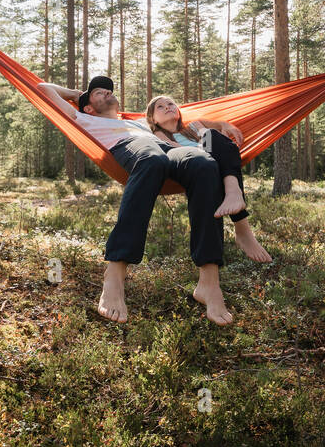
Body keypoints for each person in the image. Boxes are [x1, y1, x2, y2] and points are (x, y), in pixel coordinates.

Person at [35, 75, 267, 327]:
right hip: (133, 148)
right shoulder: (83, 118)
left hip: (168, 149)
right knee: (153, 160)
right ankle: (115, 272)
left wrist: (218, 126)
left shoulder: (139, 122)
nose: (107, 93)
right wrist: (78, 94)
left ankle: (208, 281)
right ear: (88, 107)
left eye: (108, 90)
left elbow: (190, 124)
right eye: (99, 93)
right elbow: (43, 88)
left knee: (204, 164)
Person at [144, 95, 271, 264]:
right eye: (160, 107)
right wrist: (210, 144)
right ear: (153, 119)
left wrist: (227, 128)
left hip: (213, 160)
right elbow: (176, 151)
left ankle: (234, 195)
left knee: (212, 134)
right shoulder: (159, 135)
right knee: (212, 144)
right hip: (191, 165)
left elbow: (221, 126)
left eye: (170, 103)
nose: (167, 107)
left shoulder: (195, 125)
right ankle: (242, 227)